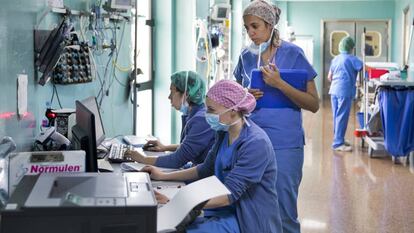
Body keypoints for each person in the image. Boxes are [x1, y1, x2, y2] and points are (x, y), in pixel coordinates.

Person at [142, 80, 283, 233]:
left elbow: (229, 194)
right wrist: (162, 176)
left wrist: (178, 202)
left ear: (233, 111)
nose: (207, 114)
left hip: (247, 218)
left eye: (211, 110)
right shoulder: (223, 133)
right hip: (223, 209)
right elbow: (204, 169)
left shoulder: (256, 143)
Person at [233, 1, 320, 232]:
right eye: (246, 28)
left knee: (284, 211)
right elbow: (234, 102)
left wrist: (280, 84)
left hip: (285, 144)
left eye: (255, 26)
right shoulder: (245, 57)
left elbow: (314, 104)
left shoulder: (293, 54)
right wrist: (245, 95)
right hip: (251, 141)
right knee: (253, 207)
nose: (251, 33)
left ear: (270, 25)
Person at [125, 71, 215, 168]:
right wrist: (165, 147)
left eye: (172, 91)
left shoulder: (201, 120)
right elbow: (188, 147)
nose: (169, 97)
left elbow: (178, 160)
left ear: (186, 94)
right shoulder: (193, 114)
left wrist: (143, 159)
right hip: (195, 167)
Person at [328, 36, 363, 152]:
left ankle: (339, 139)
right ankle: (338, 143)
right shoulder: (352, 59)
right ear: (351, 48)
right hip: (344, 90)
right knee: (342, 116)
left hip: (334, 90)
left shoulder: (336, 59)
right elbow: (365, 68)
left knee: (336, 116)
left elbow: (329, 77)